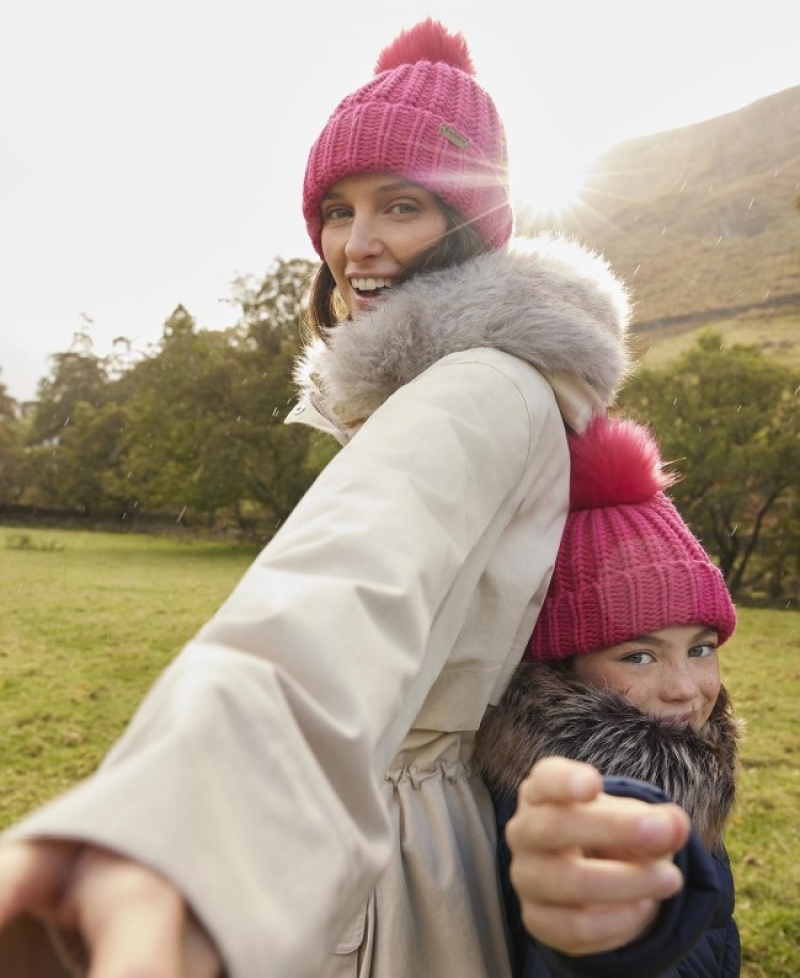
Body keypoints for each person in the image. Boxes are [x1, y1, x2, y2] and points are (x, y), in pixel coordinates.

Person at [0, 20, 691, 978]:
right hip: (412, 834)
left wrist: (176, 829)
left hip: (389, 875)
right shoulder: (479, 379)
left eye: (400, 207)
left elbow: (344, 586)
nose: (355, 246)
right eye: (337, 209)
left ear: (469, 223)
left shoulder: (479, 383)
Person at [476, 414, 742, 977]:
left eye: (700, 648)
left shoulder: (681, 774)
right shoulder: (570, 819)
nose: (687, 690)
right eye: (638, 656)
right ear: (559, 670)